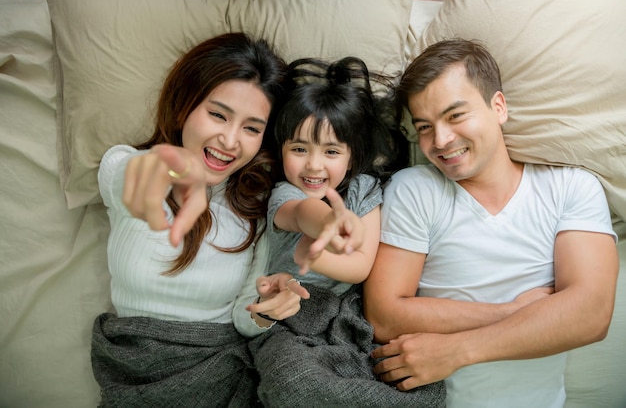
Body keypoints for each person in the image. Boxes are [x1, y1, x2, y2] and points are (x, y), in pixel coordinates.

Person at [363, 38, 619, 408]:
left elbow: (591, 315)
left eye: (455, 116)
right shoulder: (416, 188)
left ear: (498, 106)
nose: (441, 140)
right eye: (424, 126)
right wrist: (516, 313)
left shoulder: (570, 187)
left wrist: (456, 351)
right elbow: (384, 317)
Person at [90, 32, 311, 408]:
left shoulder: (253, 206)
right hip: (135, 371)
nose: (229, 140)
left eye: (251, 128)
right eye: (218, 114)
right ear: (184, 106)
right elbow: (135, 173)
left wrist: (268, 305)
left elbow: (244, 318)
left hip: (221, 372)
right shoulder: (125, 166)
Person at [249, 57, 446, 408]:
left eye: (330, 151)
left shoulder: (365, 192)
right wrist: (325, 225)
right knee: (294, 383)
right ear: (282, 151)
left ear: (351, 158)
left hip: (349, 319)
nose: (313, 164)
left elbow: (360, 268)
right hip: (288, 321)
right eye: (299, 149)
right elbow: (301, 213)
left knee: (416, 390)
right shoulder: (285, 193)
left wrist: (320, 251)